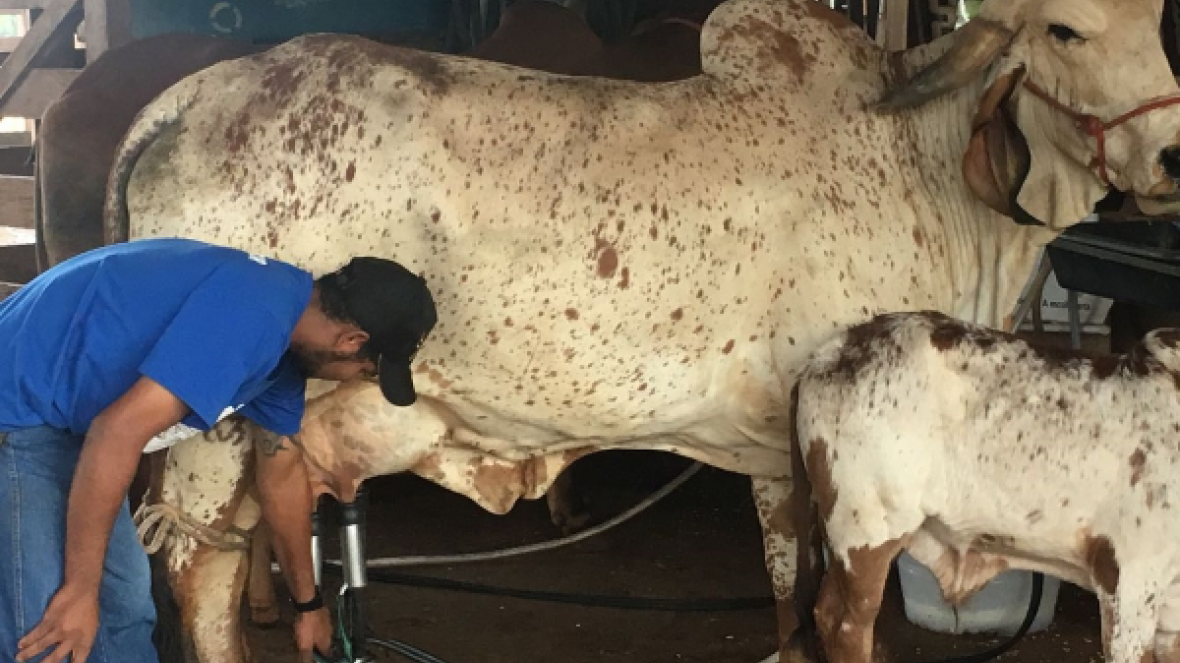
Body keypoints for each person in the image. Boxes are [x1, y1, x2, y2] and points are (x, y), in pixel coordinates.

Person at [0, 237, 438, 663]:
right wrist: (80, 590)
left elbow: (282, 474)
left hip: (62, 424)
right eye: (364, 371)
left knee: (125, 611)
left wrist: (308, 605)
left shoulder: (282, 339)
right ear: (350, 340)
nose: (350, 380)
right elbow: (115, 433)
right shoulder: (253, 316)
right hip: (18, 413)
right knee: (48, 629)